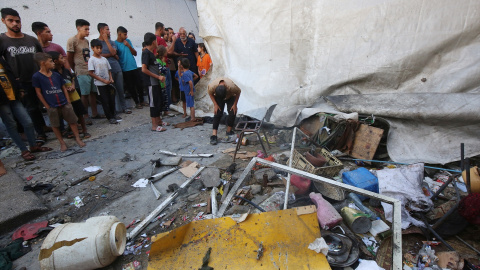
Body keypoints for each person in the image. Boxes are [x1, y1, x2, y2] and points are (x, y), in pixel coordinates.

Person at [0, 8, 48, 144]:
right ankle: (36, 134)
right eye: (11, 21)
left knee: (39, 105)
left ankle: (42, 128)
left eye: (17, 21)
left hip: (37, 78)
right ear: (3, 21)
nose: (15, 24)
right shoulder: (3, 40)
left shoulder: (31, 40)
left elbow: (41, 58)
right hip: (19, 82)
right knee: (28, 108)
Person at [0, 56, 52, 160]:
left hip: (14, 96)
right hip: (2, 100)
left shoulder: (2, 60)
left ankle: (33, 146)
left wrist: (19, 89)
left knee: (28, 122)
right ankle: (24, 150)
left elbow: (11, 75)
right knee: (11, 125)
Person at [32, 53, 85, 151]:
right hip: (52, 105)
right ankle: (62, 143)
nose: (53, 63)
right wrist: (47, 106)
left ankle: (77, 138)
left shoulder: (56, 75)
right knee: (55, 125)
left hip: (64, 103)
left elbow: (63, 88)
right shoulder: (37, 77)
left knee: (72, 121)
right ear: (43, 63)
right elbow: (38, 93)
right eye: (50, 61)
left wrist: (68, 101)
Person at [48, 51, 90, 139]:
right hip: (64, 98)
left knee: (80, 113)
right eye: (61, 58)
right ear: (55, 61)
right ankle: (74, 132)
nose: (64, 60)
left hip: (74, 96)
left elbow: (72, 79)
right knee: (69, 115)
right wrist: (65, 89)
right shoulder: (53, 74)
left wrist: (73, 85)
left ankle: (84, 130)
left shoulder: (66, 70)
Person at [67, 19, 99, 124]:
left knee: (93, 92)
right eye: (86, 29)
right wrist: (75, 70)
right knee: (84, 94)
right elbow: (69, 58)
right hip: (80, 71)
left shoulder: (86, 41)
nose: (88, 31)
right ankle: (85, 115)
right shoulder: (72, 41)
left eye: (88, 29)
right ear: (78, 28)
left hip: (89, 70)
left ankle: (95, 113)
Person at [97, 23, 130, 114]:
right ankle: (113, 110)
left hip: (116, 67)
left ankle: (124, 107)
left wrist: (107, 41)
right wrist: (111, 55)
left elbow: (113, 52)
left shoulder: (111, 42)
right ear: (101, 30)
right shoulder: (96, 42)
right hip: (105, 70)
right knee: (110, 91)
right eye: (107, 29)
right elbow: (98, 55)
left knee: (120, 88)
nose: (109, 31)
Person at [87, 39, 118, 125]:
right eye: (97, 48)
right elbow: (91, 73)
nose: (99, 50)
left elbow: (109, 70)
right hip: (100, 84)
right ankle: (109, 117)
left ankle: (113, 114)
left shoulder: (104, 59)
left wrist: (111, 78)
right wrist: (103, 80)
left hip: (108, 83)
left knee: (111, 99)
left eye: (100, 48)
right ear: (92, 48)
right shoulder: (92, 60)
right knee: (105, 101)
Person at [141, 32, 168, 132]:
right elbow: (144, 69)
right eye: (156, 41)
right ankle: (154, 125)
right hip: (151, 83)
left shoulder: (152, 54)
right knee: (153, 103)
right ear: (153, 42)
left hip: (156, 82)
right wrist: (157, 76)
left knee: (158, 102)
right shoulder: (146, 53)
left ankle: (158, 121)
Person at [115, 26, 147, 109]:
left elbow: (135, 53)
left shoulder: (128, 41)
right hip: (125, 69)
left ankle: (142, 100)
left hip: (133, 66)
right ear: (119, 34)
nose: (126, 36)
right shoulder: (115, 44)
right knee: (131, 87)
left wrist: (129, 45)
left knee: (139, 85)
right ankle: (137, 102)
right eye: (125, 34)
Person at [208, 78, 241, 145]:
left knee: (232, 112)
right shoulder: (212, 86)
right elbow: (210, 94)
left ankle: (228, 131)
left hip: (230, 97)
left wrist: (235, 104)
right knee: (217, 113)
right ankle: (214, 135)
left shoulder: (232, 87)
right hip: (218, 97)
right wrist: (215, 104)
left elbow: (238, 92)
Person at [155, 46, 170, 116]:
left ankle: (166, 110)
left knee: (165, 97)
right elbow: (162, 71)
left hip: (163, 82)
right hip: (160, 83)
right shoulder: (158, 61)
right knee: (161, 97)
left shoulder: (162, 61)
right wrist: (164, 63)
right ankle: (160, 112)